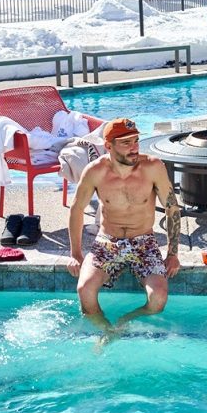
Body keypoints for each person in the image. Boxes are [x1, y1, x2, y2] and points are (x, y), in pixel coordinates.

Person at [67, 118, 181, 338]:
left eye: (136, 141)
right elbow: (76, 209)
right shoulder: (95, 171)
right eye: (126, 143)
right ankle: (106, 330)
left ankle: (126, 321)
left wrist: (173, 254)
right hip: (107, 242)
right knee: (85, 291)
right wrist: (75, 254)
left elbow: (172, 208)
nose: (134, 147)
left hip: (144, 242)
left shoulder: (153, 167)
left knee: (158, 299)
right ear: (108, 146)